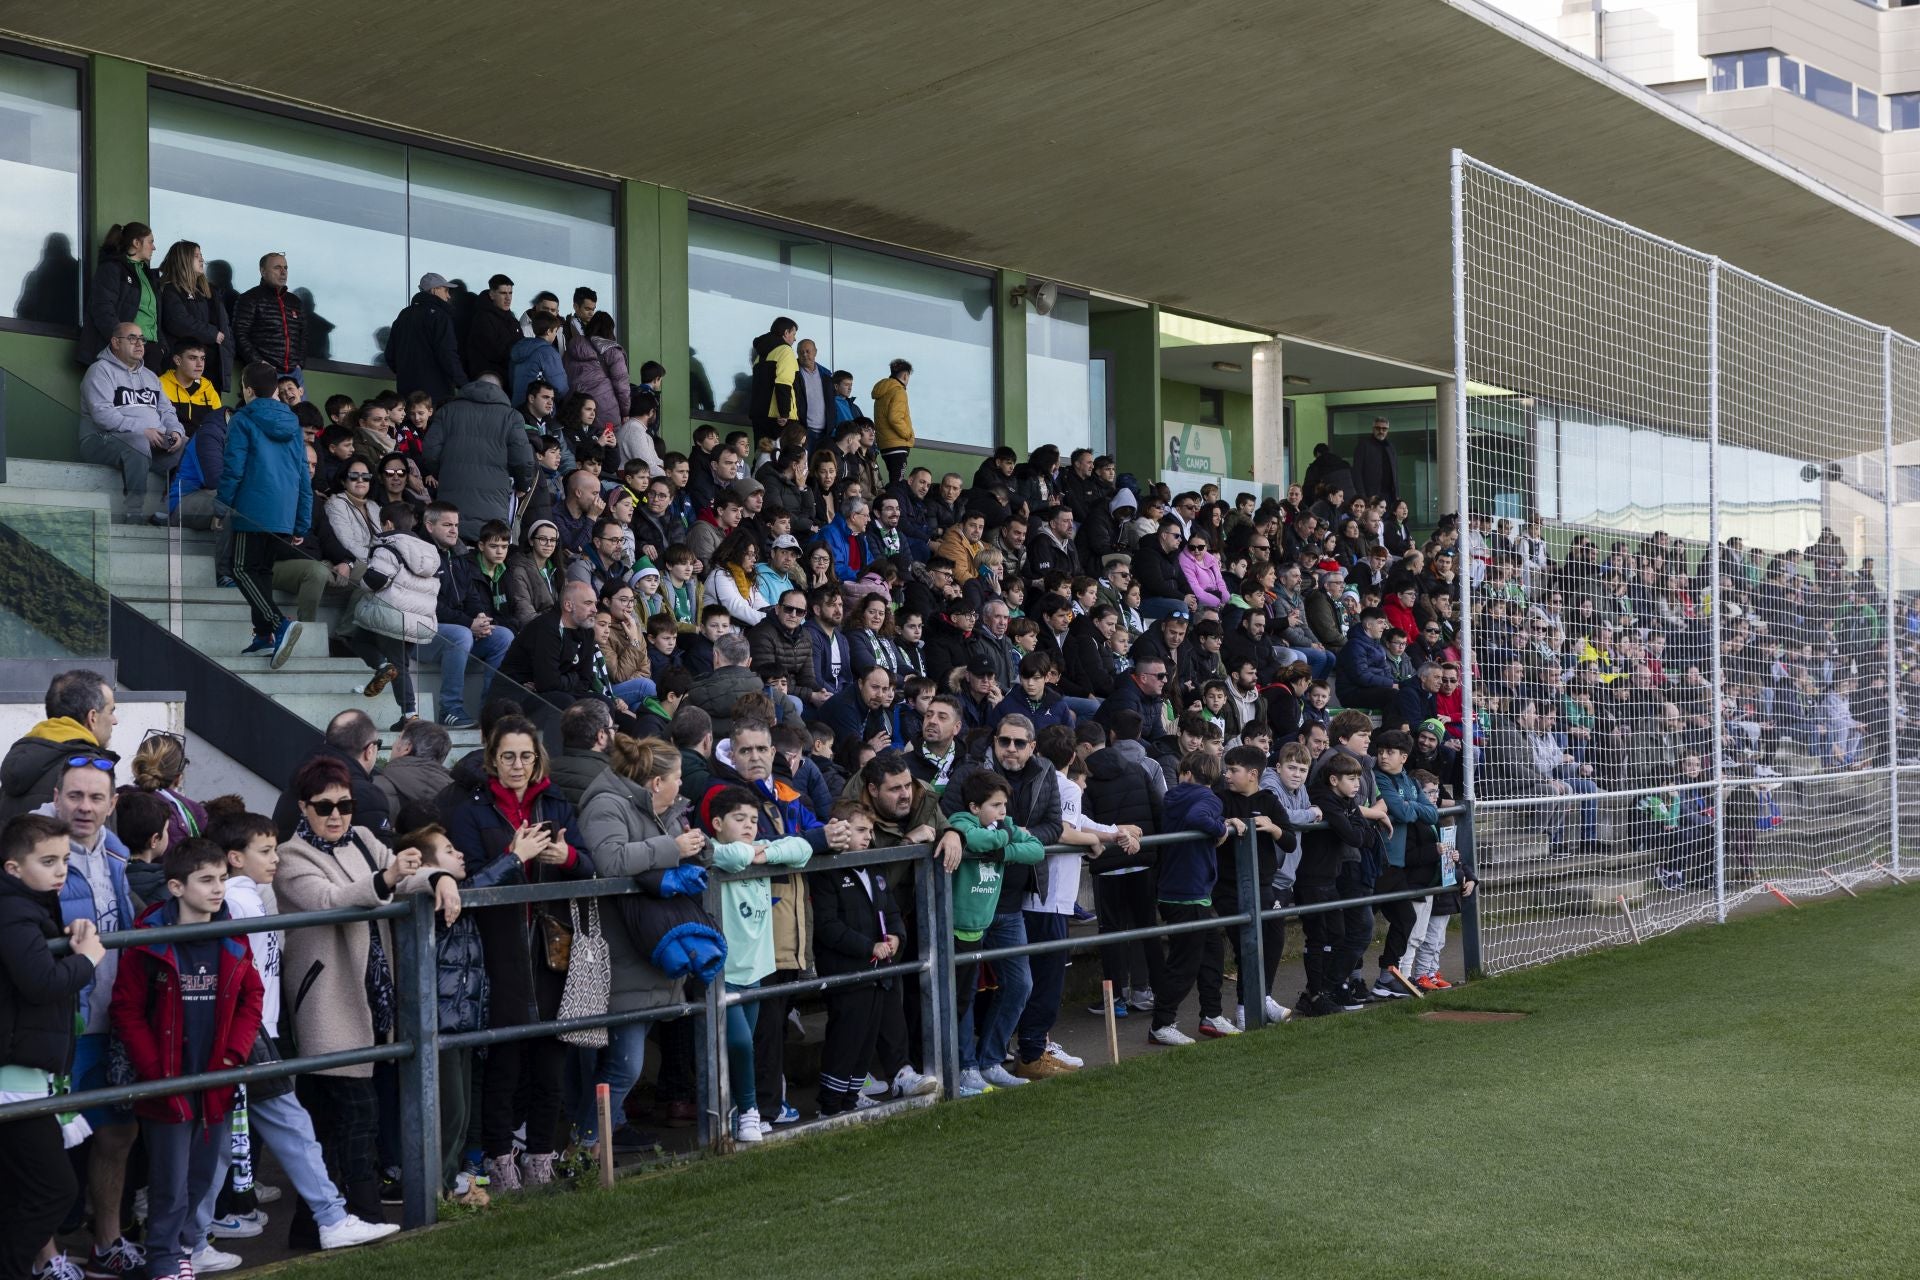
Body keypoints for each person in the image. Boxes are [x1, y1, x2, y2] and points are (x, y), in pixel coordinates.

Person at [208, 812, 405, 1247]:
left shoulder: (251, 894)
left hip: (264, 1029)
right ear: (235, 858)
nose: (275, 858)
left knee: (247, 1134)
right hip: (251, 1032)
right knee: (276, 1129)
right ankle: (328, 1219)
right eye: (265, 851)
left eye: (274, 848)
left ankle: (194, 1236)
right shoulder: (238, 900)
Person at [275, 757, 453, 1232]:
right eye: (324, 806)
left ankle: (315, 1225)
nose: (336, 815)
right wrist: (392, 878)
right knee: (355, 1118)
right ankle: (361, 1216)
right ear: (303, 808)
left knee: (328, 1125)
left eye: (345, 804)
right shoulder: (292, 856)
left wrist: (438, 877)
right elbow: (331, 901)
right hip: (327, 1005)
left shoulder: (362, 839)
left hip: (371, 1001)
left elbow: (402, 877)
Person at [442, 718, 592, 1189]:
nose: (518, 765)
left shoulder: (555, 803)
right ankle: (499, 1158)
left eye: (526, 756)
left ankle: (541, 1156)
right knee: (504, 1064)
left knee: (550, 1060)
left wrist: (565, 858)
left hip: (552, 947)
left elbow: (589, 864)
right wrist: (516, 854)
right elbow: (470, 880)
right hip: (497, 948)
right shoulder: (471, 810)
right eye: (508, 756)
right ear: (492, 758)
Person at [109, 838, 265, 1280]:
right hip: (169, 1081)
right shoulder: (149, 939)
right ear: (176, 886)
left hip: (216, 1074)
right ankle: (162, 1257)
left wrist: (234, 1054)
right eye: (207, 880)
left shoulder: (229, 933)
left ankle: (181, 1249)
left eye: (221, 879)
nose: (219, 889)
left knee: (201, 1176)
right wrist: (156, 1072)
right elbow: (126, 1008)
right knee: (169, 1180)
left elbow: (252, 994)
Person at [574, 735, 708, 1146]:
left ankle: (607, 1132)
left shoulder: (659, 808)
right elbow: (610, 861)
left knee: (625, 1060)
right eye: (677, 779)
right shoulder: (605, 805)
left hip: (647, 947)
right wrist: (673, 847)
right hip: (618, 949)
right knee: (625, 1065)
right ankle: (587, 1146)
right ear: (655, 783)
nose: (681, 787)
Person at [0, 813, 108, 1280]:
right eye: (48, 861)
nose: (61, 869)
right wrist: (85, 960)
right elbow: (40, 982)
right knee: (53, 1188)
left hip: (26, 1073)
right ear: (13, 868)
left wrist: (63, 941)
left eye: (64, 859)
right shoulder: (14, 910)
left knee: (33, 1188)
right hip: (14, 1078)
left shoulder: (31, 907)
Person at [702, 782, 814, 1141]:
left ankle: (736, 1111)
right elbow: (729, 857)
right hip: (724, 968)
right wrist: (758, 851)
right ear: (717, 823)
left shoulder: (760, 849)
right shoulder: (712, 849)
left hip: (756, 968)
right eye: (740, 819)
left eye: (753, 819)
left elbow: (802, 847)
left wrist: (762, 852)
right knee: (738, 1043)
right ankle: (750, 1111)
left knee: (744, 1042)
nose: (750, 825)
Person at [943, 769, 1046, 1098]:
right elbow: (970, 839)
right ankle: (966, 1068)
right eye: (997, 805)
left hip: (998, 916)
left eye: (1005, 806)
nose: (1003, 813)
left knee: (1021, 983)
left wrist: (1003, 851)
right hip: (960, 925)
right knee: (963, 996)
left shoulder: (1002, 826)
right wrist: (1002, 837)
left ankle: (990, 1061)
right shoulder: (961, 821)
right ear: (975, 807)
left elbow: (1036, 849)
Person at [808, 800, 904, 1117]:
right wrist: (868, 947)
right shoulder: (827, 870)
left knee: (865, 1037)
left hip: (878, 971)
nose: (868, 837)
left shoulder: (873, 866)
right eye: (861, 830)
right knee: (846, 1037)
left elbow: (890, 910)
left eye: (871, 831)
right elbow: (827, 926)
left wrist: (895, 936)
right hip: (846, 971)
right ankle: (831, 1105)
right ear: (839, 827)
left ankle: (850, 1100)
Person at [219, 360, 313, 666]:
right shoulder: (294, 424)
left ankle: (278, 624)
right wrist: (302, 522)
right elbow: (303, 478)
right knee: (262, 573)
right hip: (284, 515)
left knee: (242, 569)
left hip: (252, 510)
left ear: (247, 389)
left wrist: (222, 506)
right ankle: (263, 635)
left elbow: (234, 468)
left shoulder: (243, 420)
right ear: (275, 389)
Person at [1216, 743, 1295, 1029]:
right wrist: (1225, 825)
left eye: (1233, 770)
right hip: (1229, 886)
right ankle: (1247, 1005)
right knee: (1246, 946)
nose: (1227, 775)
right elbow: (1210, 826)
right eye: (1226, 769)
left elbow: (1290, 840)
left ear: (1252, 774)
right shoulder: (1220, 798)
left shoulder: (1270, 800)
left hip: (1264, 884)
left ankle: (1261, 998)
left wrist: (1272, 827)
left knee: (1272, 941)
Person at [422, 502, 514, 729]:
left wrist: (480, 618)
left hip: (455, 631)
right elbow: (431, 606)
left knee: (503, 636)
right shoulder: (422, 555)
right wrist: (468, 623)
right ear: (429, 526)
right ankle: (450, 709)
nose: (454, 530)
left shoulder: (459, 556)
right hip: (422, 634)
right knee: (462, 634)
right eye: (447, 525)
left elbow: (471, 596)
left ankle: (491, 709)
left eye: (456, 524)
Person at [81, 322, 183, 523]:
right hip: (102, 440)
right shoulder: (100, 370)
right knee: (137, 443)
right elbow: (103, 415)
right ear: (115, 342)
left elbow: (167, 410)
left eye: (142, 339)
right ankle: (134, 512)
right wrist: (143, 430)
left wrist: (176, 431)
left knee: (192, 447)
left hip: (152, 442)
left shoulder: (150, 376)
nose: (139, 344)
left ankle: (167, 511)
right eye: (132, 338)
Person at [421, 375, 537, 542]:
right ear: (500, 390)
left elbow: (430, 452)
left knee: (451, 552)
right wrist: (522, 484)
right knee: (487, 551)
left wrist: (445, 472)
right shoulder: (511, 416)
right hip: (493, 507)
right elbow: (523, 460)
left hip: (452, 503)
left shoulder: (448, 411)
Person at [0, 670, 119, 823]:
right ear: (92, 717)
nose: (115, 720)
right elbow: (99, 844)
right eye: (111, 711)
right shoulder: (90, 768)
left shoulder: (21, 758)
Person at [157, 239, 233, 394]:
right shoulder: (170, 290)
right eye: (196, 255)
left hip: (211, 366)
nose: (202, 259)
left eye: (201, 255)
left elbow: (224, 325)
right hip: (183, 366)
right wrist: (212, 333)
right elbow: (178, 321)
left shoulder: (209, 291)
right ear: (183, 260)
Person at [86, 222, 160, 367]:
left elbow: (156, 315)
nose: (154, 247)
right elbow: (103, 309)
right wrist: (123, 342)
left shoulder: (148, 275)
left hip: (150, 349)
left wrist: (162, 347)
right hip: (126, 350)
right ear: (136, 243)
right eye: (151, 242)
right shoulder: (112, 268)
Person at [231, 252, 306, 378]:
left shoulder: (295, 302)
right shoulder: (249, 298)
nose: (283, 272)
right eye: (277, 267)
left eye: (285, 268)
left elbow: (303, 336)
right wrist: (260, 363)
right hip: (264, 372)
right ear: (263, 271)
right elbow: (239, 334)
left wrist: (300, 364)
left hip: (294, 374)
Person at [563, 311, 630, 430]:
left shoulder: (572, 347)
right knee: (608, 444)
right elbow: (622, 386)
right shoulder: (612, 351)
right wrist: (625, 412)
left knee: (579, 443)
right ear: (610, 329)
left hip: (573, 407)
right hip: (604, 409)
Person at [748, 316, 799, 440]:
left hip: (759, 414)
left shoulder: (760, 356)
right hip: (778, 417)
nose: (795, 339)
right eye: (793, 334)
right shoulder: (785, 351)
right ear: (786, 333)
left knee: (762, 454)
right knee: (782, 456)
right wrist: (784, 413)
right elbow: (783, 382)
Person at [463, 273, 518, 385]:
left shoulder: (512, 319)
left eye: (510, 293)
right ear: (492, 294)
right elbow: (496, 353)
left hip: (507, 380)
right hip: (489, 384)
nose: (508, 298)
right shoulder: (482, 319)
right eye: (503, 293)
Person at [510, 312, 570, 405]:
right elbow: (560, 387)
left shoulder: (519, 348)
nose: (555, 335)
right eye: (555, 331)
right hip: (538, 408)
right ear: (548, 331)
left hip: (517, 405)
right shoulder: (548, 352)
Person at [871, 358, 914, 486]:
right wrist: (908, 434)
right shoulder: (899, 391)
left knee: (894, 480)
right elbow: (895, 418)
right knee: (897, 483)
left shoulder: (883, 391)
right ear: (905, 375)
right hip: (897, 444)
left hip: (885, 445)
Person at [1351, 416, 1399, 510]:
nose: (1381, 431)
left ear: (1387, 430)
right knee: (1373, 522)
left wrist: (1397, 495)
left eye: (1384, 429)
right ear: (1373, 429)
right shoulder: (1363, 445)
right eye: (1378, 428)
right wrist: (1363, 496)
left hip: (1389, 495)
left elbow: (1395, 473)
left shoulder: (1390, 447)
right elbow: (1356, 472)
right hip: (1371, 495)